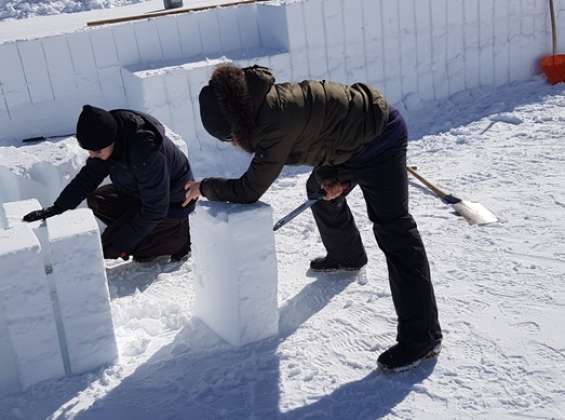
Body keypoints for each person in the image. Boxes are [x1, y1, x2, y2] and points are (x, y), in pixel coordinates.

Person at [183, 63, 442, 372]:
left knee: (394, 231)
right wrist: (338, 180)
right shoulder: (261, 100)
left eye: (230, 139)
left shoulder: (273, 124)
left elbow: (248, 189)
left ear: (237, 126)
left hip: (380, 138)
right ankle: (347, 255)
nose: (234, 145)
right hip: (347, 143)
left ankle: (423, 338)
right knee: (317, 188)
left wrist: (204, 187)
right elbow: (323, 133)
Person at [23, 105, 194, 262]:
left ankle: (177, 239)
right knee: (98, 200)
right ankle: (150, 239)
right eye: (89, 151)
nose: (92, 155)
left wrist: (121, 244)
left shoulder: (145, 151)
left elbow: (155, 208)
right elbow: (89, 176)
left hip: (173, 203)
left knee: (116, 244)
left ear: (112, 140)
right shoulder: (108, 136)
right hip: (141, 194)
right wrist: (58, 207)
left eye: (96, 151)